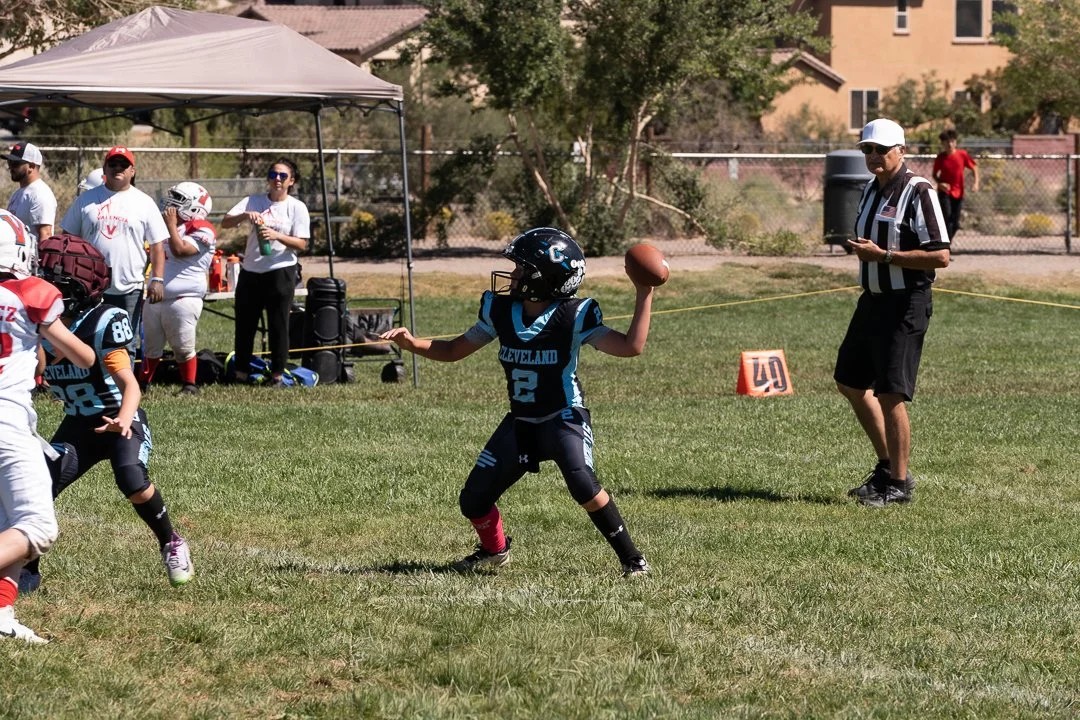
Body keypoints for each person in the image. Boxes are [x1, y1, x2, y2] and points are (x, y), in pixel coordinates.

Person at [381, 227, 653, 577]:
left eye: (522, 269)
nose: (512, 274)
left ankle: (633, 559)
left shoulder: (573, 315)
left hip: (563, 417)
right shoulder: (501, 310)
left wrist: (644, 292)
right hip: (521, 421)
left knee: (583, 483)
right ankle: (495, 550)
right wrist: (413, 343)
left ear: (544, 279)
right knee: (473, 500)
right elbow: (452, 350)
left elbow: (631, 347)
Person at [20, 234, 194, 594]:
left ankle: (171, 541)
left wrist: (125, 419)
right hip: (78, 422)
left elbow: (131, 385)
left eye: (54, 285)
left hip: (118, 417)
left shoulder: (102, 321)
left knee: (132, 480)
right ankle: (28, 569)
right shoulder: (42, 323)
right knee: (39, 487)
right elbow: (37, 371)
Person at [839, 118, 950, 507]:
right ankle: (887, 467)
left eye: (881, 149)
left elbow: (940, 255)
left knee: (890, 393)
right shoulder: (870, 189)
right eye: (867, 149)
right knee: (850, 383)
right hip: (872, 300)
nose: (873, 156)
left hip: (906, 303)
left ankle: (899, 486)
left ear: (901, 150)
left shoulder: (919, 191)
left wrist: (884, 256)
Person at [0, 211, 95, 643]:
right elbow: (83, 357)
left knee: (9, 522)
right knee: (37, 528)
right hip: (7, 420)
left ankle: (2, 614)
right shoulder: (32, 293)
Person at [59, 146, 168, 355]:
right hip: (90, 286)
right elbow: (67, 238)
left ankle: (124, 378)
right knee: (87, 339)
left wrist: (157, 279)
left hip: (129, 286)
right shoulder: (86, 199)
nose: (118, 168)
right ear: (104, 169)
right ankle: (95, 377)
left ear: (132, 171)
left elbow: (157, 245)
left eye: (123, 165)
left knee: (125, 343)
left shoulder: (144, 202)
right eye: (113, 164)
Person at [221, 158, 309, 387]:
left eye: (283, 176)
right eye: (273, 174)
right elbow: (225, 222)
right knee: (245, 324)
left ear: (292, 181)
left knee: (278, 325)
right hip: (251, 270)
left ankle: (277, 375)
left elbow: (302, 244)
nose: (277, 179)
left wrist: (277, 235)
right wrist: (245, 215)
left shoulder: (296, 207)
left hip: (281, 271)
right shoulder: (254, 200)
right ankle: (241, 373)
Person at [139, 182, 216, 397]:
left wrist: (171, 225)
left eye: (179, 199)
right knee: (151, 346)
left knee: (183, 346)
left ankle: (190, 385)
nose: (172, 202)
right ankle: (143, 383)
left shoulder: (203, 228)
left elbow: (180, 250)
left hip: (184, 296)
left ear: (195, 206)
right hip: (156, 295)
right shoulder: (165, 226)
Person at [5, 142, 57, 247]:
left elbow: (45, 235)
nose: (11, 168)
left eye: (15, 164)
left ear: (31, 166)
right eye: (9, 162)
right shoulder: (18, 193)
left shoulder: (40, 194)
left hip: (30, 257)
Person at [931, 129, 979, 242]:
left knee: (956, 222)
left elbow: (974, 167)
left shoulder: (962, 154)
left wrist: (976, 183)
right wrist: (940, 183)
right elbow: (934, 174)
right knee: (947, 219)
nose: (950, 144)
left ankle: (946, 243)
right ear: (943, 143)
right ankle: (945, 245)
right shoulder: (941, 158)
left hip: (959, 192)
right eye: (947, 142)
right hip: (945, 192)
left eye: (952, 141)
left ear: (955, 142)